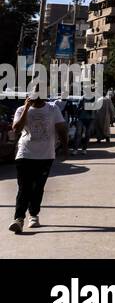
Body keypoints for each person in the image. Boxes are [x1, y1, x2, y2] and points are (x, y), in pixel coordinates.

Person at [9, 89, 68, 233]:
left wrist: (65, 147)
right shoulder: (21, 109)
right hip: (24, 154)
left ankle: (33, 215)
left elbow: (61, 128)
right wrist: (27, 109)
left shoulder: (53, 109)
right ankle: (19, 219)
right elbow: (16, 129)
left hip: (46, 155)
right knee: (24, 187)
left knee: (38, 187)